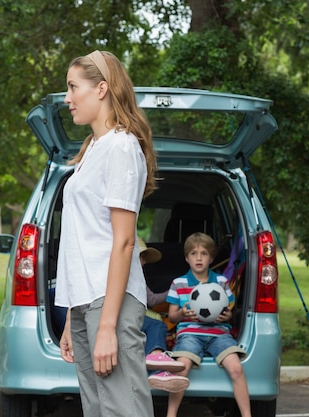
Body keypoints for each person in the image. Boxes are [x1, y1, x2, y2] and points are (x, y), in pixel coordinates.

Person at [55, 50, 157, 417]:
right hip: (86, 303)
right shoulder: (93, 149)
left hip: (109, 302)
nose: (67, 98)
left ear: (101, 88)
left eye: (72, 87)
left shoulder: (121, 146)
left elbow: (125, 241)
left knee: (124, 409)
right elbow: (82, 241)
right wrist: (71, 317)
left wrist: (108, 326)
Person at [149, 232, 251, 417]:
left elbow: (228, 312)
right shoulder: (178, 283)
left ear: (211, 258)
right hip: (190, 334)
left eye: (204, 253)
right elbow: (172, 317)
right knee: (182, 367)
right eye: (194, 253)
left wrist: (226, 316)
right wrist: (182, 313)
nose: (198, 258)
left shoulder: (221, 281)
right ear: (187, 258)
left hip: (219, 334)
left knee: (236, 368)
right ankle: (171, 415)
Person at [138, 237, 185, 376]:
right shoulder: (133, 277)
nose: (145, 261)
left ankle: (157, 369)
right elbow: (152, 300)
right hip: (123, 317)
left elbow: (150, 300)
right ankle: (156, 356)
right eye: (142, 257)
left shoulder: (136, 275)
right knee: (158, 325)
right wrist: (174, 291)